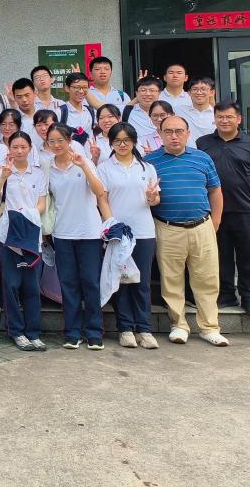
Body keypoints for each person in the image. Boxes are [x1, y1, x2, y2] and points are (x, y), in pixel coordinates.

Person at [145, 114, 228, 347]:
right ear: (160, 134)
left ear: (188, 134)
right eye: (168, 131)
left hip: (202, 226)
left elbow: (215, 190)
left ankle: (209, 327)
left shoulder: (202, 158)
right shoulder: (150, 162)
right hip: (168, 228)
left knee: (207, 279)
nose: (174, 136)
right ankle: (179, 325)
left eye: (179, 131)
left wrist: (215, 222)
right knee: (171, 280)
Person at [197, 101, 250, 317]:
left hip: (246, 209)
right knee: (221, 255)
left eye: (229, 117)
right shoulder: (203, 143)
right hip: (214, 211)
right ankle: (226, 294)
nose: (224, 121)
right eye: (220, 117)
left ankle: (249, 297)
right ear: (214, 119)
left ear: (239, 119)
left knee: (248, 255)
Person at [45, 123, 112, 350]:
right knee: (68, 283)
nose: (56, 145)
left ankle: (94, 332)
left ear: (69, 140)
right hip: (62, 232)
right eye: (51, 141)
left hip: (89, 232)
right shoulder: (48, 167)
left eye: (60, 140)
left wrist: (84, 166)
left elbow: (100, 192)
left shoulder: (83, 162)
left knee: (90, 282)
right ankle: (72, 332)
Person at [97, 123, 161, 349]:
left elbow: (155, 200)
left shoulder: (147, 168)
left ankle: (144, 329)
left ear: (134, 141)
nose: (122, 144)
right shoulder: (104, 168)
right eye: (117, 141)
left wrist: (152, 197)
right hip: (118, 234)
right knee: (121, 281)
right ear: (111, 143)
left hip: (143, 232)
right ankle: (125, 328)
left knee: (142, 282)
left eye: (126, 140)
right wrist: (112, 225)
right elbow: (102, 199)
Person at [0, 131, 48, 352]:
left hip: (31, 233)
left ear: (30, 149)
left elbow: (42, 204)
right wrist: (3, 177)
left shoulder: (39, 174)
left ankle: (33, 333)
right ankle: (16, 331)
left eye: (23, 147)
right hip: (8, 235)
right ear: (9, 149)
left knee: (31, 286)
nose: (19, 151)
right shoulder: (2, 172)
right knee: (11, 284)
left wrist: (28, 214)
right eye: (15, 147)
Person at [58, 72, 95, 145]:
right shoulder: (60, 112)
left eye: (85, 87)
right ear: (67, 88)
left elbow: (90, 136)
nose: (81, 91)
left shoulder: (90, 111)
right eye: (77, 87)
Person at [184, 77, 217, 146]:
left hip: (211, 151)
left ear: (212, 92)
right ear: (189, 93)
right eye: (195, 89)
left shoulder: (218, 115)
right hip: (187, 152)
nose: (199, 92)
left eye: (203, 89)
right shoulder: (178, 111)